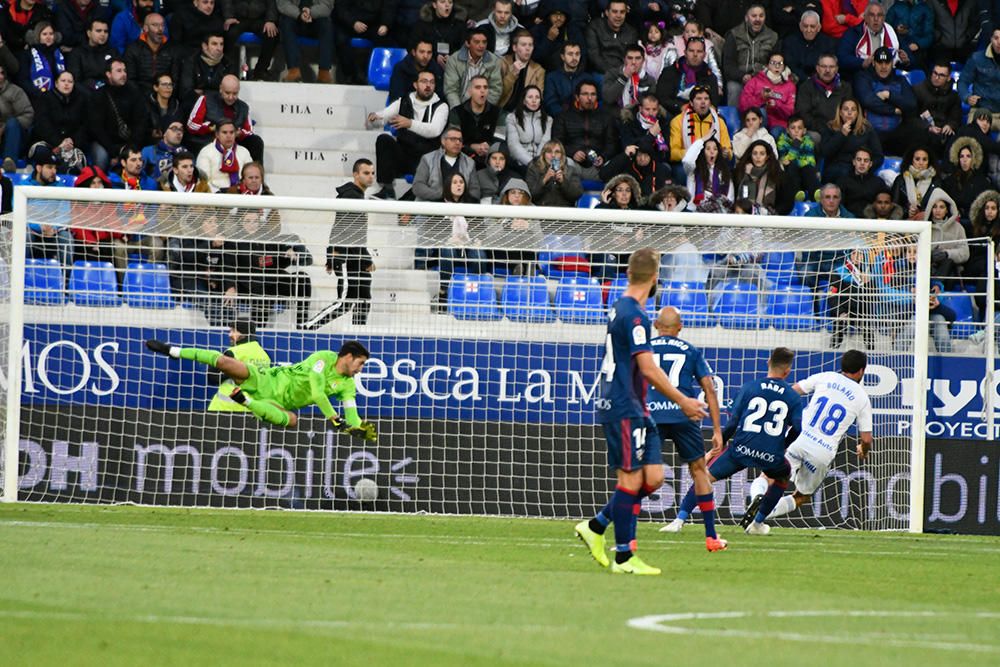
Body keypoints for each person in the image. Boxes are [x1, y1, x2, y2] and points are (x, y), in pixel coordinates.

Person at [574, 248, 708, 575]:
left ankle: (596, 525)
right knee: (631, 479)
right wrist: (684, 401)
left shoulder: (620, 306)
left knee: (653, 477)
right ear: (654, 279)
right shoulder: (634, 316)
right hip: (622, 404)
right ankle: (624, 557)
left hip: (633, 404)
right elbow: (648, 368)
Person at [666, 347, 804, 537]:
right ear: (787, 371)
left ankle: (678, 520)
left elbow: (733, 422)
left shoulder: (750, 387)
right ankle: (757, 524)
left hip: (741, 449)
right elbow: (798, 427)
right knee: (782, 476)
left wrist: (721, 443)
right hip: (771, 454)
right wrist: (783, 445)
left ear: (767, 363)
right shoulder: (793, 396)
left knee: (704, 477)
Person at [146, 338, 377, 438]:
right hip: (266, 380)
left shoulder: (347, 386)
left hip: (277, 403)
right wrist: (334, 418)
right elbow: (317, 392)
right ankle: (173, 351)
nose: (361, 369)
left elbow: (352, 414)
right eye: (361, 363)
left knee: (293, 420)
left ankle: (246, 402)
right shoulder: (323, 359)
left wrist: (359, 430)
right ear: (347, 356)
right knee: (226, 363)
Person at [751, 350, 873, 526]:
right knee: (802, 496)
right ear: (861, 371)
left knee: (769, 476)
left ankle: (757, 498)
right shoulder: (862, 398)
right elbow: (867, 439)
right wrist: (863, 449)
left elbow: (793, 391)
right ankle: (759, 518)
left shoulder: (826, 377)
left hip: (798, 438)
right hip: (822, 452)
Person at [646, 307, 726, 551]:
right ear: (680, 328)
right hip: (685, 415)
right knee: (699, 471)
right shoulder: (690, 350)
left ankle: (621, 532)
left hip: (652, 416)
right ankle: (711, 537)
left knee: (642, 475)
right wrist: (717, 430)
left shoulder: (644, 349)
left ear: (655, 325)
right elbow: (710, 389)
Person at [305, 159, 376, 329]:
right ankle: (308, 327)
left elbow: (353, 232)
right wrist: (333, 254)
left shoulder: (356, 195)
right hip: (345, 256)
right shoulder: (351, 195)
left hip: (355, 255)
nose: (371, 177)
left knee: (364, 297)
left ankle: (358, 333)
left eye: (372, 173)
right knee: (345, 301)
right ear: (355, 174)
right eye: (366, 173)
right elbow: (344, 229)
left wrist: (365, 258)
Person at [370, 69, 449, 200]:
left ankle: (405, 202)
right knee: (384, 139)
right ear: (415, 85)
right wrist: (374, 118)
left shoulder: (441, 106)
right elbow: (383, 116)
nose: (428, 85)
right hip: (405, 153)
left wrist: (409, 123)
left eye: (432, 82)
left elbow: (435, 130)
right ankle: (387, 190)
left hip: (426, 158)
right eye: (424, 81)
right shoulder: (404, 101)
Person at [854, 47, 920, 155]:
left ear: (892, 63)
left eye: (887, 62)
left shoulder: (900, 80)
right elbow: (868, 101)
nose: (883, 67)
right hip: (871, 132)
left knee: (916, 128)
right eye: (880, 63)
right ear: (874, 63)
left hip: (897, 133)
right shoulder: (863, 77)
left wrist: (889, 95)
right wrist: (894, 110)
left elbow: (911, 104)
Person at [551, 79, 617, 180]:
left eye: (593, 94)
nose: (589, 98)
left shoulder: (606, 117)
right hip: (572, 164)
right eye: (585, 94)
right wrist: (572, 152)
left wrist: (603, 157)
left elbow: (612, 144)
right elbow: (556, 143)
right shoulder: (563, 117)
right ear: (577, 97)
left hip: (598, 166)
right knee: (559, 161)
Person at [206, 318, 272, 412]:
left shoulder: (233, 352)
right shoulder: (264, 355)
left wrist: (212, 360)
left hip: (225, 409)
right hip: (252, 410)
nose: (230, 335)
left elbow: (213, 379)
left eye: (233, 331)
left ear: (243, 333)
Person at [722, 4, 779, 106]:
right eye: (754, 16)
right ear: (746, 18)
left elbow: (776, 62)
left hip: (762, 79)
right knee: (733, 88)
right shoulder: (734, 35)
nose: (758, 19)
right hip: (739, 79)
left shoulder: (772, 36)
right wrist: (742, 76)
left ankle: (762, 120)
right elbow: (728, 65)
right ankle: (734, 121)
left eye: (761, 16)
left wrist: (763, 76)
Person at [819, 97, 882, 183]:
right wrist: (841, 134)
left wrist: (864, 168)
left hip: (860, 172)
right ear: (840, 113)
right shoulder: (831, 127)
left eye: (853, 110)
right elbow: (825, 152)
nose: (849, 113)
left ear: (857, 113)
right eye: (846, 109)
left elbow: (878, 156)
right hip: (836, 171)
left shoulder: (867, 129)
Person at [332, 0, 395, 84]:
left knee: (383, 38)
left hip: (373, 24)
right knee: (341, 39)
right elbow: (341, 8)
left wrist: (385, 24)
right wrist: (353, 22)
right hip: (348, 24)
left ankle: (372, 74)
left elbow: (389, 8)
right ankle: (349, 75)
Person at [655, 36, 719, 117]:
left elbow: (713, 103)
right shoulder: (670, 72)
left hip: (700, 116)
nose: (695, 54)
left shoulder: (710, 77)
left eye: (699, 51)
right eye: (691, 51)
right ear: (685, 52)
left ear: (704, 55)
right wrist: (680, 106)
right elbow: (662, 98)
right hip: (673, 113)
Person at [795, 54, 853, 143]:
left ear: (837, 69)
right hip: (816, 129)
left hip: (839, 128)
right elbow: (803, 113)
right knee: (814, 137)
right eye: (824, 66)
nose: (827, 70)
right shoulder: (806, 87)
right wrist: (823, 128)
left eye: (831, 67)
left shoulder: (845, 87)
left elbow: (850, 111)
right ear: (817, 68)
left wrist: (839, 127)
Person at [411, 126, 480, 201]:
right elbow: (418, 186)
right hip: (431, 206)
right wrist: (443, 195)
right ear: (443, 141)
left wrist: (458, 199)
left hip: (459, 207)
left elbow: (475, 190)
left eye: (460, 140)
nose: (457, 142)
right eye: (453, 139)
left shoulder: (469, 162)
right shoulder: (428, 159)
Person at [837, 2, 906, 77]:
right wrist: (862, 63)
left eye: (879, 15)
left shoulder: (892, 32)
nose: (876, 19)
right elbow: (842, 58)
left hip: (890, 74)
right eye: (872, 15)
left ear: (883, 18)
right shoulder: (854, 33)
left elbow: (909, 58)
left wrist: (906, 61)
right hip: (864, 74)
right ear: (865, 17)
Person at [448, 74, 500, 168]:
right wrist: (472, 147)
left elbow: (500, 141)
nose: (482, 91)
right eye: (477, 87)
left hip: (490, 158)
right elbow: (453, 140)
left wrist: (488, 146)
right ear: (470, 91)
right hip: (463, 157)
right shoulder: (457, 112)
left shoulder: (498, 113)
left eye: (485, 87)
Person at [443, 26, 503, 108]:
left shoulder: (494, 61)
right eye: (477, 42)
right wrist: (459, 111)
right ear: (467, 43)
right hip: (460, 106)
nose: (481, 46)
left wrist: (484, 110)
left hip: (483, 108)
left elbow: (495, 90)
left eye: (484, 42)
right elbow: (451, 90)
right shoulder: (454, 60)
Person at [276, 0, 334, 83]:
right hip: (295, 17)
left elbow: (327, 5)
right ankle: (294, 71)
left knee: (327, 24)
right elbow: (283, 4)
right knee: (286, 23)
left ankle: (324, 72)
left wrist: (311, 12)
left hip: (316, 19)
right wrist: (299, 15)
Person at [221, 0, 278, 81]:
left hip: (260, 19)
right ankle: (227, 70)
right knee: (229, 34)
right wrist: (228, 16)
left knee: (272, 34)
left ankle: (261, 71)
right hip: (237, 18)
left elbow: (271, 3)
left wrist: (270, 20)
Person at [914, 62, 962, 155]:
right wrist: (928, 127)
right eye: (935, 73)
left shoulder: (954, 96)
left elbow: (956, 117)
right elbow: (912, 117)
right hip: (923, 131)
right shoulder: (918, 90)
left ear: (948, 78)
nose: (936, 77)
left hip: (943, 134)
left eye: (941, 75)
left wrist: (950, 125)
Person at [943, 137, 991, 230]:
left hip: (974, 224)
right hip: (952, 221)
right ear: (957, 158)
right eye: (962, 156)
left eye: (968, 156)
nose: (964, 160)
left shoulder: (982, 181)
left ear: (974, 158)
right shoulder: (949, 180)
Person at [196, 119, 252, 191]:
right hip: (215, 195)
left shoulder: (244, 152)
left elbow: (251, 176)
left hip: (240, 194)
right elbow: (203, 181)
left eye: (231, 132)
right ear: (217, 134)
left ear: (235, 134)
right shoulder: (206, 152)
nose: (228, 136)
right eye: (224, 132)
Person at [123, 12, 174, 92]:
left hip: (165, 95)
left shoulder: (172, 49)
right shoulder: (133, 49)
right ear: (145, 28)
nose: (160, 29)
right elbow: (130, 80)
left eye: (162, 25)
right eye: (155, 25)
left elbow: (175, 79)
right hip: (140, 97)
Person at [584, 0, 637, 75]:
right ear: (607, 13)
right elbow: (594, 56)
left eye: (622, 12)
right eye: (615, 12)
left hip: (623, 73)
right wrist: (614, 74)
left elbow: (631, 58)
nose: (618, 15)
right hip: (600, 73)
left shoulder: (631, 32)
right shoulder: (595, 27)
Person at [524, 139, 581, 207]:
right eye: (549, 152)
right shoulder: (534, 170)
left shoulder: (571, 170)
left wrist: (563, 182)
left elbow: (576, 195)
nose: (553, 155)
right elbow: (530, 195)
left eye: (557, 152)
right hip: (541, 212)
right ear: (543, 154)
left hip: (564, 212)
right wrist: (544, 180)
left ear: (562, 155)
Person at [783, 10, 836, 84]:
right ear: (800, 26)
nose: (808, 30)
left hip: (822, 83)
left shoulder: (828, 43)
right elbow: (790, 65)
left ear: (819, 27)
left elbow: (829, 66)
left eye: (812, 26)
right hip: (797, 82)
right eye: (805, 26)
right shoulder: (790, 41)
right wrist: (807, 79)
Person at [776, 114, 820, 203]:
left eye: (799, 128)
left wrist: (796, 161)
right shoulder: (781, 143)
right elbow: (786, 162)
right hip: (791, 177)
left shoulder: (808, 142)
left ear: (804, 131)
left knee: (809, 168)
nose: (796, 131)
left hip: (805, 175)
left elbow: (810, 161)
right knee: (792, 166)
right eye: (793, 128)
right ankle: (797, 193)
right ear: (787, 130)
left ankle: (816, 193)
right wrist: (796, 145)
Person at [505, 85, 549, 171]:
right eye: (530, 97)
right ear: (524, 101)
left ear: (540, 101)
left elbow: (545, 143)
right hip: (520, 163)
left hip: (541, 163)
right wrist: (531, 163)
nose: (534, 100)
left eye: (537, 97)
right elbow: (513, 145)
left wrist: (539, 163)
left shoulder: (548, 120)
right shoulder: (512, 118)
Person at [890, 145, 941, 219]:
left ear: (929, 161)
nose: (921, 163)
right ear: (911, 160)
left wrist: (926, 213)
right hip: (904, 222)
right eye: (917, 159)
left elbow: (941, 206)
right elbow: (894, 206)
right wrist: (907, 212)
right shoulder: (900, 180)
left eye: (924, 159)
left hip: (930, 223)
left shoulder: (936, 181)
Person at [387, 39, 444, 104]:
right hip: (405, 108)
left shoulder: (436, 69)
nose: (425, 56)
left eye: (429, 52)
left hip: (429, 108)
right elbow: (396, 97)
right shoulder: (400, 68)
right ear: (414, 52)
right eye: (422, 52)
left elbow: (440, 96)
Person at [413, 0, 467, 70]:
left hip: (455, 67)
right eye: (442, 2)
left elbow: (464, 48)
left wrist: (452, 57)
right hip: (427, 66)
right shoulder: (423, 24)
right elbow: (414, 47)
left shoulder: (460, 25)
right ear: (434, 5)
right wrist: (434, 56)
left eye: (450, 2)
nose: (447, 5)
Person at [734, 139, 784, 213]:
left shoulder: (776, 174)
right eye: (755, 153)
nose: (758, 157)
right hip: (742, 216)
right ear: (750, 155)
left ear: (767, 157)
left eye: (762, 154)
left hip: (767, 218)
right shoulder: (740, 172)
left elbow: (783, 202)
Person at [66, 18, 116, 93]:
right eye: (98, 31)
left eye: (106, 31)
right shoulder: (77, 53)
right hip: (86, 95)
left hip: (110, 93)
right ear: (89, 33)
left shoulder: (113, 52)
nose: (103, 34)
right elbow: (75, 81)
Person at [682, 136, 734, 206]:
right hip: (696, 213)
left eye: (715, 149)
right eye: (708, 149)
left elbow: (730, 198)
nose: (712, 152)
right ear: (702, 152)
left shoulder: (724, 173)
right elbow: (687, 161)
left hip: (719, 212)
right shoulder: (693, 170)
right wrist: (702, 140)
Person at [601, 43, 655, 110]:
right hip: (614, 116)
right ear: (624, 60)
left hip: (637, 116)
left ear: (643, 60)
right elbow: (608, 98)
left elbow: (650, 106)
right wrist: (624, 76)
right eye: (630, 58)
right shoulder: (612, 74)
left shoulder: (649, 80)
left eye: (638, 58)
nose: (633, 62)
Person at [0, 64, 35, 166]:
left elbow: (28, 115)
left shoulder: (15, 91)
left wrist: (4, 128)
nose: (0, 76)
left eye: (2, 73)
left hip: (13, 137)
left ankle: (9, 162)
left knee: (12, 123)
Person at [885, 0, 933, 72]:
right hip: (898, 51)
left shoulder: (925, 8)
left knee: (917, 79)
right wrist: (896, 28)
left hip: (918, 54)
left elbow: (930, 35)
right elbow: (886, 28)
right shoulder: (896, 6)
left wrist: (919, 44)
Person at [541, 41, 587, 116]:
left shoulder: (587, 78)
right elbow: (550, 103)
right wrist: (566, 117)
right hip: (560, 119)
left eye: (577, 54)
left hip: (584, 119)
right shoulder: (552, 78)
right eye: (570, 54)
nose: (574, 58)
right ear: (562, 57)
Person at [837, 147, 884, 216]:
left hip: (872, 222)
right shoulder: (843, 181)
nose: (862, 163)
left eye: (866, 160)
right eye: (859, 160)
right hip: (848, 222)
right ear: (854, 162)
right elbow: (839, 206)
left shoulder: (879, 183)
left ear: (870, 164)